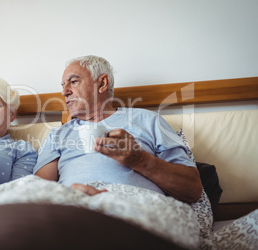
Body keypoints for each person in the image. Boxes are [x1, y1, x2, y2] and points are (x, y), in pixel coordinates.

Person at [34, 55, 202, 203]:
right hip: (75, 211)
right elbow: (37, 194)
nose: (64, 92)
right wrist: (69, 198)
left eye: (73, 81)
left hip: (137, 211)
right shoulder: (58, 134)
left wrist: (140, 160)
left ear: (102, 83)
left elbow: (193, 189)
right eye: (63, 85)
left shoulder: (148, 120)